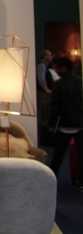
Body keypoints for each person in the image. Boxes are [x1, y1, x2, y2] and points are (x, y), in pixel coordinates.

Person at [48, 57, 83, 191]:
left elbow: (54, 107)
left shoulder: (58, 84)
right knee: (81, 155)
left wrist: (51, 124)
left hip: (64, 123)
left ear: (64, 68)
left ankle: (50, 180)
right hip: (80, 123)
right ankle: (81, 183)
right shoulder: (80, 81)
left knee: (58, 155)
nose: (56, 70)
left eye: (57, 68)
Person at [37, 50, 54, 145]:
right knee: (45, 114)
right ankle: (44, 138)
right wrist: (47, 90)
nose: (51, 58)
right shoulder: (41, 66)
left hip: (45, 94)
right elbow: (41, 79)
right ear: (44, 56)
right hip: (43, 94)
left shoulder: (46, 66)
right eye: (50, 56)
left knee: (46, 113)